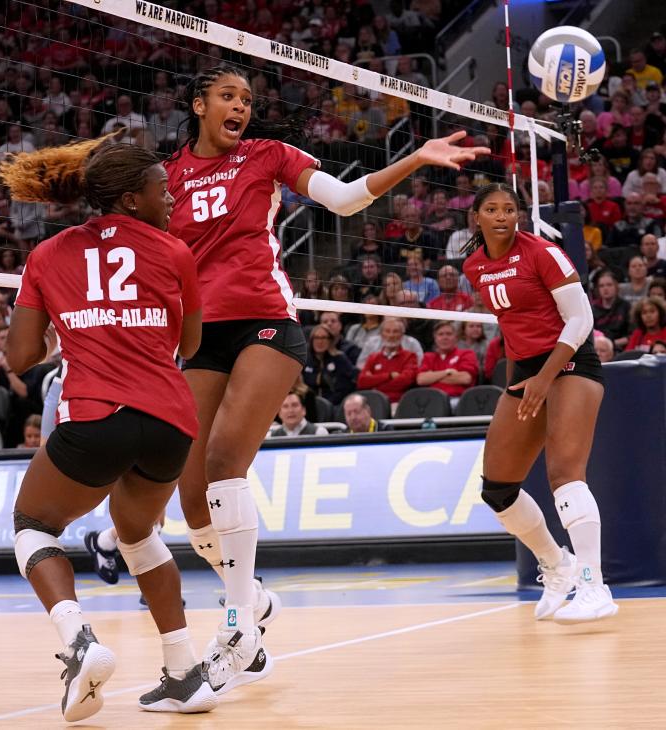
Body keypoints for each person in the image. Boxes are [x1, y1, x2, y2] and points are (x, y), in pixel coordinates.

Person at [161, 63, 485, 689]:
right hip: (200, 335)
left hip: (264, 321)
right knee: (191, 492)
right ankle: (251, 598)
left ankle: (236, 626)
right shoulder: (167, 176)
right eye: (227, 96)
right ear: (198, 102)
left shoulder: (268, 155)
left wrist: (415, 157)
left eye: (247, 100)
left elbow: (341, 197)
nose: (240, 107)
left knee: (228, 459)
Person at [0, 136, 215, 719]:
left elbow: (19, 357)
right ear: (130, 198)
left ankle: (79, 643)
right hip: (170, 422)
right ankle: (184, 673)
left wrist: (61, 335)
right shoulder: (175, 252)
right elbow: (190, 345)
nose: (172, 198)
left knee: (32, 525)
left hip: (97, 416)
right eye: (162, 190)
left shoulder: (47, 254)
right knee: (139, 535)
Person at [462, 183, 616, 622]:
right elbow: (514, 330)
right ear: (477, 217)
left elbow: (581, 319)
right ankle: (558, 566)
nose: (501, 216)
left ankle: (594, 586)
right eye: (491, 209)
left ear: (520, 216)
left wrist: (545, 378)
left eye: (509, 209)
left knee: (565, 473)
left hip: (569, 362)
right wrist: (521, 383)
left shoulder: (542, 252)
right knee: (497, 488)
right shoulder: (474, 265)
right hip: (527, 372)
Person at [356, 317, 418, 404]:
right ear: (381, 334)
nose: (391, 335)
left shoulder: (410, 356)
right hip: (373, 402)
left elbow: (404, 382)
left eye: (395, 331)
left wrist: (374, 382)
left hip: (398, 402)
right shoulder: (373, 357)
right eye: (387, 331)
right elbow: (361, 382)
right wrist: (389, 376)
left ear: (402, 335)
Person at [416, 321, 479, 401]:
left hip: (458, 399)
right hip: (431, 400)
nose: (445, 337)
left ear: (456, 337)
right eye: (440, 334)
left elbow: (465, 378)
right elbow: (421, 380)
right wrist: (448, 372)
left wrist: (432, 377)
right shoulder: (428, 357)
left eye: (449, 334)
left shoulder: (467, 354)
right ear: (435, 338)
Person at [592, 270, 632, 350]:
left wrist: (612, 344)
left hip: (620, 348)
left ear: (616, 286)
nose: (605, 288)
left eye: (609, 285)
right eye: (601, 286)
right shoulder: (593, 308)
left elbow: (631, 335)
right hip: (598, 348)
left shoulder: (626, 306)